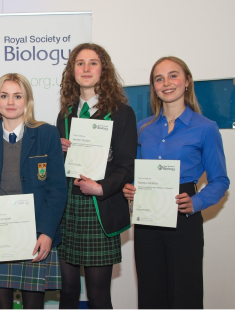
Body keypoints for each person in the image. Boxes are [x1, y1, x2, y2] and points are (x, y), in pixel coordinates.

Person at [122, 56, 230, 309]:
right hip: (148, 219)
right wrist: (130, 189)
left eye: (173, 75)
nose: (166, 83)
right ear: (154, 87)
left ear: (187, 81)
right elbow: (135, 173)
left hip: (184, 213)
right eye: (159, 78)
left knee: (185, 292)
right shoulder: (142, 128)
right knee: (150, 292)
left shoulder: (206, 128)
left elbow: (220, 180)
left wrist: (196, 202)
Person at [0, 73, 67, 309]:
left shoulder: (46, 134)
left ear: (27, 101)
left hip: (35, 234)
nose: (10, 102)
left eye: (17, 96)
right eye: (4, 96)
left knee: (33, 305)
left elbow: (57, 189)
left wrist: (47, 233)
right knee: (1, 304)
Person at [56, 43, 137, 309]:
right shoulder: (65, 115)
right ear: (72, 71)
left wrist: (102, 188)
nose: (86, 68)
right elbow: (60, 168)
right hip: (68, 208)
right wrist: (57, 152)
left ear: (104, 69)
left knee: (98, 296)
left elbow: (126, 165)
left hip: (100, 207)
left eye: (93, 62)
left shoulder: (122, 113)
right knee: (67, 292)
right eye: (80, 63)